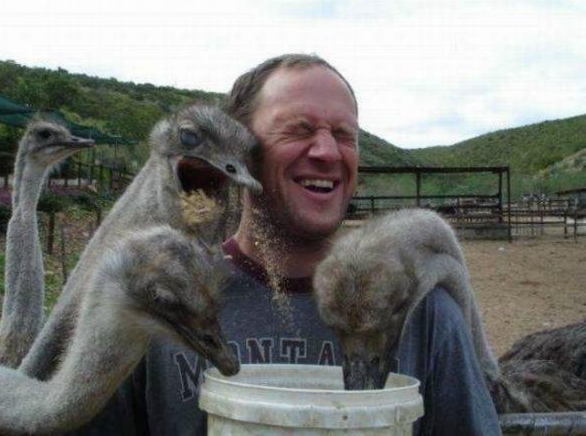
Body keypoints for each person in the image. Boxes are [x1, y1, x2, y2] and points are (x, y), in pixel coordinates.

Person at [73, 54, 500, 435]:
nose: (328, 151)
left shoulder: (421, 312)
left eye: (345, 135)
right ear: (241, 151)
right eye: (299, 130)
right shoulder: (159, 300)